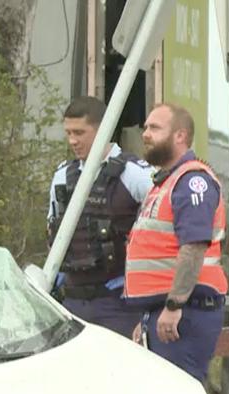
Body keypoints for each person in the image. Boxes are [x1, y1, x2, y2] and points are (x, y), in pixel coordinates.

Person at [124, 104, 228, 381]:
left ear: (180, 136)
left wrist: (173, 306)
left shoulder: (192, 181)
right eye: (145, 127)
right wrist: (148, 318)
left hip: (185, 310)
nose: (145, 134)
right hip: (166, 311)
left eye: (155, 128)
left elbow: (193, 247)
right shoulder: (164, 183)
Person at [47, 96, 153, 337]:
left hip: (118, 303)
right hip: (72, 303)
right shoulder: (62, 176)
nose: (72, 140)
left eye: (79, 132)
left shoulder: (135, 174)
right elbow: (53, 232)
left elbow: (161, 230)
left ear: (103, 128)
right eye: (68, 133)